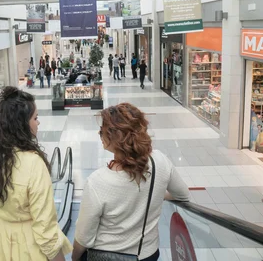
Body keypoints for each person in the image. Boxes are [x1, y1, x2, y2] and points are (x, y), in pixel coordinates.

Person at [71, 103, 190, 261]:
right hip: (148, 254)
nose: (99, 134)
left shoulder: (98, 181)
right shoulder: (160, 161)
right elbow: (183, 194)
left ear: (116, 138)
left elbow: (84, 237)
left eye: (103, 131)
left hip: (107, 255)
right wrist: (156, 193)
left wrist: (74, 257)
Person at [0, 87, 72, 260]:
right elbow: (45, 227)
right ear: (21, 123)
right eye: (35, 118)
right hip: (27, 246)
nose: (38, 123)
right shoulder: (33, 163)